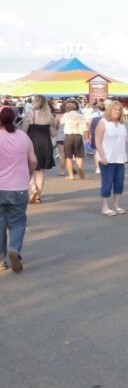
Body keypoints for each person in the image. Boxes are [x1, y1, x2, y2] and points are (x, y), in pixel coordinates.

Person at [0, 104, 37, 273]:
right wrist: (28, 175)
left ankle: (1, 259)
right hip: (19, 187)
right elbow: (33, 160)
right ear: (15, 119)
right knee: (18, 223)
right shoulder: (23, 137)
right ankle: (14, 248)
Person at [94, 100, 128, 215]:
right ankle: (105, 207)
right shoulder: (103, 122)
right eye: (115, 109)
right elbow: (97, 141)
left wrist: (126, 155)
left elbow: (122, 141)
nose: (117, 112)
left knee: (119, 183)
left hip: (120, 158)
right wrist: (102, 156)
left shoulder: (121, 125)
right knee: (107, 183)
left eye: (119, 110)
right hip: (107, 159)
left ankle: (116, 205)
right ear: (110, 110)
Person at [22, 95, 56, 202]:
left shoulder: (29, 114)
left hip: (32, 143)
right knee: (40, 170)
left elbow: (23, 132)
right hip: (45, 144)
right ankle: (38, 196)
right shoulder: (49, 116)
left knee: (29, 168)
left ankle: (33, 188)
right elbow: (53, 133)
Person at [58, 100, 87, 180]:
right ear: (74, 108)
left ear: (67, 108)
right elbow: (85, 128)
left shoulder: (66, 115)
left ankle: (71, 175)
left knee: (68, 157)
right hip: (78, 136)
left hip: (68, 136)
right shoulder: (80, 116)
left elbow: (61, 122)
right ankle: (80, 167)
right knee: (79, 155)